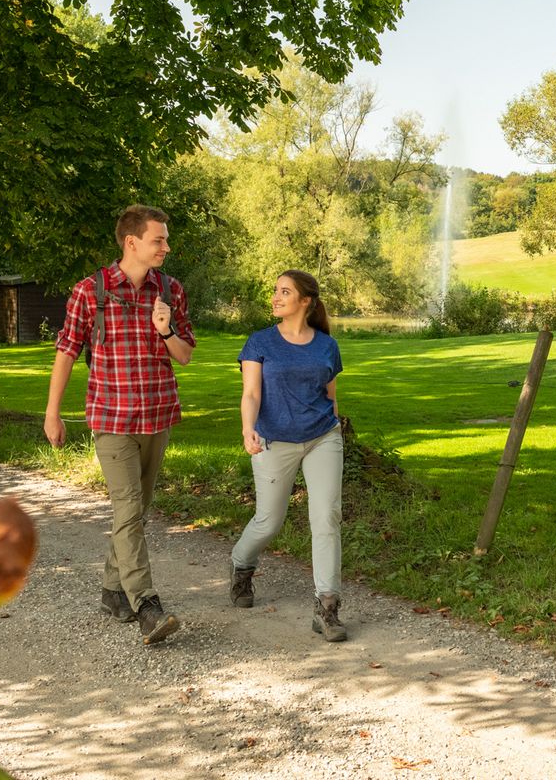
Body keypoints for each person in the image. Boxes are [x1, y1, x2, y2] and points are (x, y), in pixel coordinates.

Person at [44, 203, 194, 645]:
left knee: (138, 511)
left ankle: (113, 591)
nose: (166, 246)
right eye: (159, 239)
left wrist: (166, 331)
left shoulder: (170, 289)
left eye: (165, 239)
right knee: (128, 509)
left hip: (158, 415)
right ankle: (147, 605)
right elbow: (67, 352)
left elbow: (185, 355)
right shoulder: (90, 292)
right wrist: (52, 412)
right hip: (111, 418)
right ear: (132, 242)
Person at [228, 270, 349, 642]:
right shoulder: (260, 342)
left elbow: (330, 396)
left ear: (305, 301)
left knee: (326, 517)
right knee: (269, 521)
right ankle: (241, 565)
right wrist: (248, 427)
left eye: (285, 292)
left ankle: (327, 607)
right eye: (276, 291)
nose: (276, 297)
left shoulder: (326, 345)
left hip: (321, 438)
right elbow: (251, 393)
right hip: (273, 440)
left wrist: (337, 429)